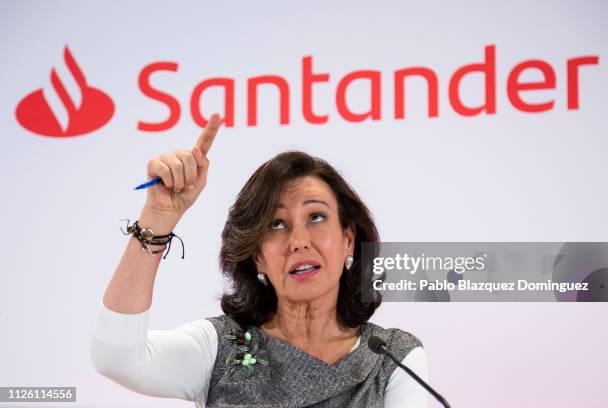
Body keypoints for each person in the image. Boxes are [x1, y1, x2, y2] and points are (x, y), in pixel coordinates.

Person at [90, 113, 428, 407]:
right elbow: (115, 357)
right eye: (276, 224)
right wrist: (157, 217)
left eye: (316, 217)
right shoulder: (222, 350)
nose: (298, 241)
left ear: (348, 240)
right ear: (258, 257)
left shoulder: (392, 358)